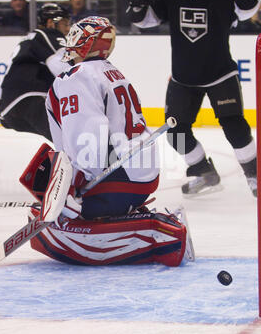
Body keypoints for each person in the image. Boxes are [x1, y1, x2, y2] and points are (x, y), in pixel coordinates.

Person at [19, 16, 187, 267]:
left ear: (87, 42)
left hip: (118, 180)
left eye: (76, 37)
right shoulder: (111, 71)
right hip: (143, 179)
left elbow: (89, 134)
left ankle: (147, 232)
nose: (70, 43)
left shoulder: (75, 77)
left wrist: (73, 185)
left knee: (53, 208)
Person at [126, 0, 260, 197]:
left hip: (220, 74)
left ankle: (255, 175)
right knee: (175, 133)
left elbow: (248, 9)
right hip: (183, 78)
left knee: (234, 127)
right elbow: (144, 21)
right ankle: (203, 172)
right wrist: (137, 3)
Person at [0, 3, 71, 140]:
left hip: (8, 109)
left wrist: (2, 111)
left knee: (53, 144)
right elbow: (62, 67)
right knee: (68, 141)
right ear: (50, 23)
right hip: (32, 99)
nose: (67, 29)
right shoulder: (48, 34)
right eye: (64, 24)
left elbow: (2, 85)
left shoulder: (26, 41)